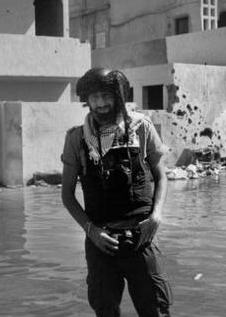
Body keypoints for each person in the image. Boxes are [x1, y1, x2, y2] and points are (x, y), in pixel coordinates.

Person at [61, 67, 172, 317]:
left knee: (156, 309)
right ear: (86, 100)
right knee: (105, 309)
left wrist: (156, 217)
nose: (100, 103)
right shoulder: (76, 139)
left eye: (106, 96)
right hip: (101, 241)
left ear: (119, 96)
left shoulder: (141, 127)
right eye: (94, 97)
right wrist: (92, 231)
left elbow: (160, 175)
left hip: (142, 237)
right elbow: (67, 195)